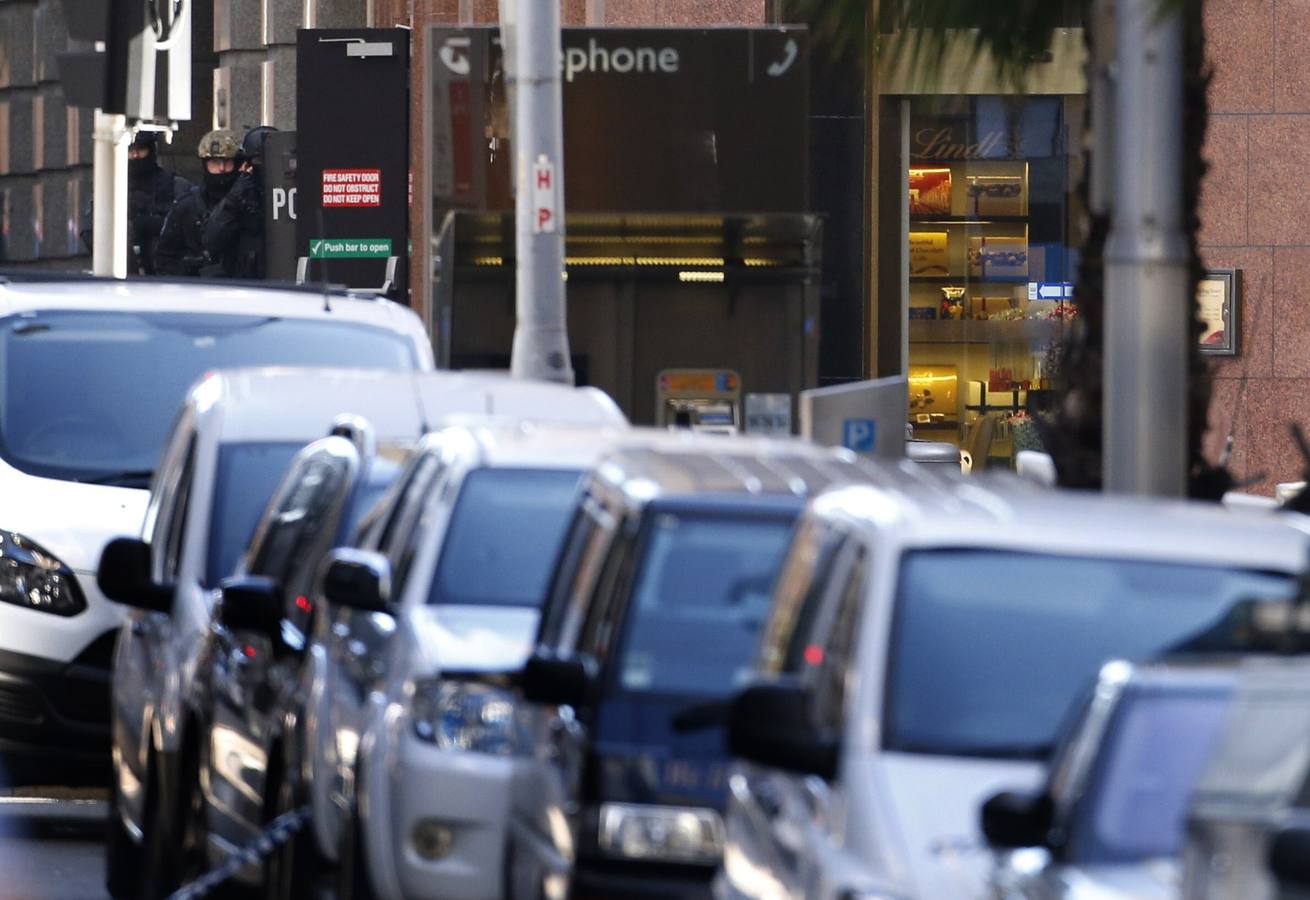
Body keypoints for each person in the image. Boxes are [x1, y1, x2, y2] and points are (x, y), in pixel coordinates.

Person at [80, 131, 194, 274]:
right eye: (130, 151)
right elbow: (89, 234)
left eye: (140, 150)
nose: (134, 156)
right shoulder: (109, 191)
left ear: (151, 150)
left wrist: (158, 225)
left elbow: (192, 233)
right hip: (124, 274)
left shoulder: (176, 186)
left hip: (167, 276)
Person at [155, 129, 242, 277]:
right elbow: (164, 257)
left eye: (227, 162)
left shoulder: (246, 201)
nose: (221, 169)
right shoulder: (187, 206)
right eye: (215, 163)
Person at [203, 125, 278, 279]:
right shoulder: (241, 193)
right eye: (258, 160)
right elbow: (211, 239)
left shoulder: (292, 192)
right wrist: (235, 198)